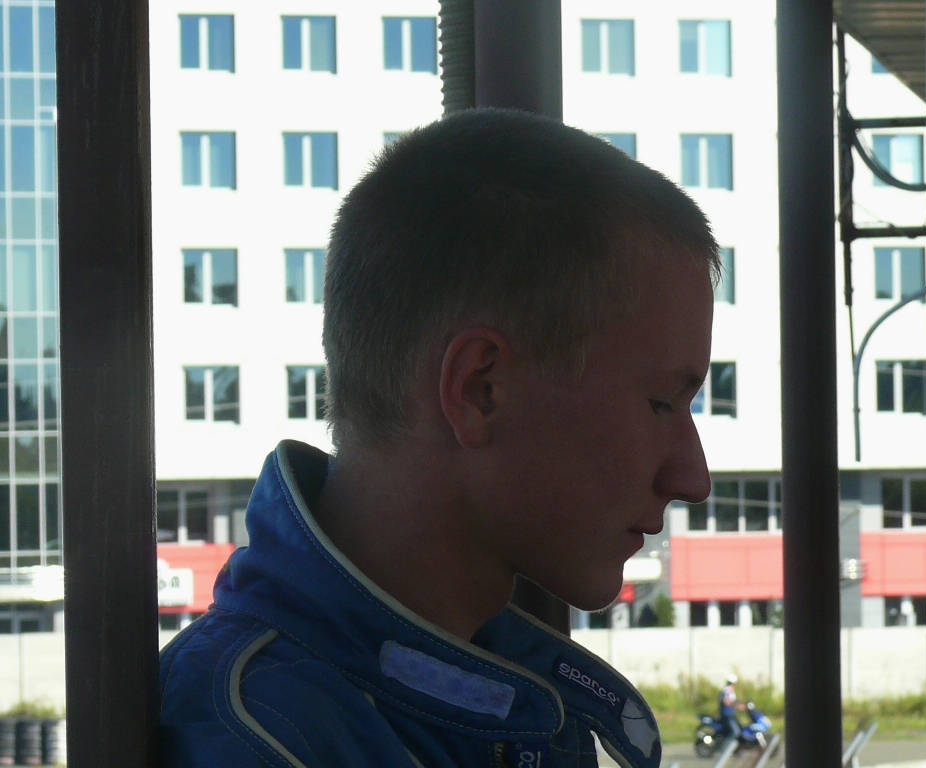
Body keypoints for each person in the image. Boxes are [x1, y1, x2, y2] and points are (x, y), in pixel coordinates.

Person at [159, 108, 720, 768]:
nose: (694, 477)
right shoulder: (255, 743)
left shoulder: (488, 704)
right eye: (661, 404)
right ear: (480, 389)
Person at [718, 674, 743, 741]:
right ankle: (727, 746)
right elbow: (727, 701)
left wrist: (742, 704)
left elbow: (732, 701)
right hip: (727, 715)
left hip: (730, 714)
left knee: (740, 728)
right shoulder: (727, 690)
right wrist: (738, 706)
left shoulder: (728, 690)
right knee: (736, 732)